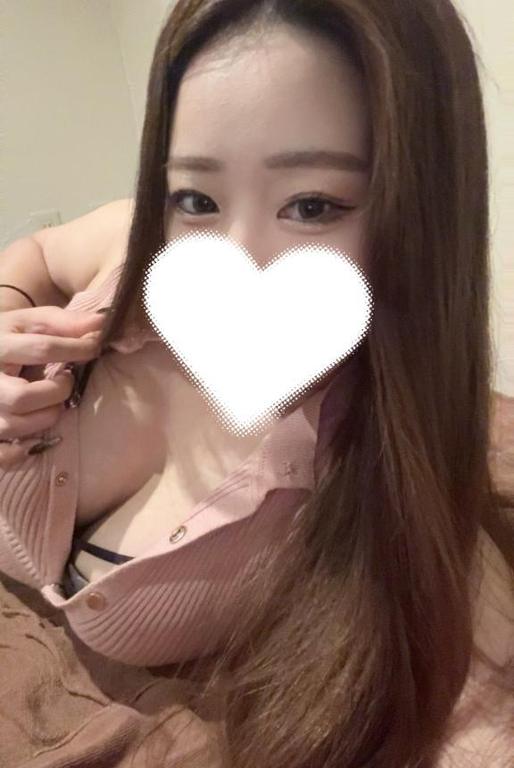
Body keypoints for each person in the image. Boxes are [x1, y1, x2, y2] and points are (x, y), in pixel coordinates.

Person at [0, 1, 512, 766]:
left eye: (312, 206)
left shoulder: (372, 491)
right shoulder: (136, 256)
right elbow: (38, 252)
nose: (232, 262)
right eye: (197, 199)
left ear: (421, 218)